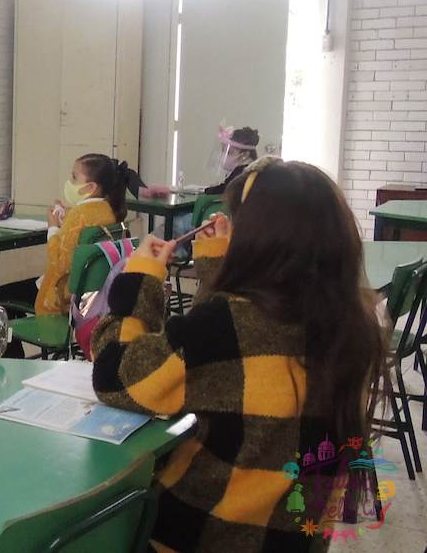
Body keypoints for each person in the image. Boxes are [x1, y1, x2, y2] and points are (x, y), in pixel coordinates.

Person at [91, 158, 385, 552]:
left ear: (257, 240)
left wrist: (140, 279)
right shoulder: (354, 328)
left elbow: (116, 377)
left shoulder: (227, 324)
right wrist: (218, 266)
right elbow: (229, 365)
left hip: (198, 538)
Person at [0, 154, 130, 321]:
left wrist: (52, 227)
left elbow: (58, 263)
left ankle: (17, 344)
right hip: (93, 296)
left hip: (62, 297)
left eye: (74, 177)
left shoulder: (78, 215)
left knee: (0, 296)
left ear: (90, 188)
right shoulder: (110, 210)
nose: (69, 182)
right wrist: (65, 222)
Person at [205, 125, 260, 195]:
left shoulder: (242, 173)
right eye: (223, 151)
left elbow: (226, 189)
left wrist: (208, 190)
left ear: (245, 155)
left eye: (229, 152)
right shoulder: (250, 170)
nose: (224, 155)